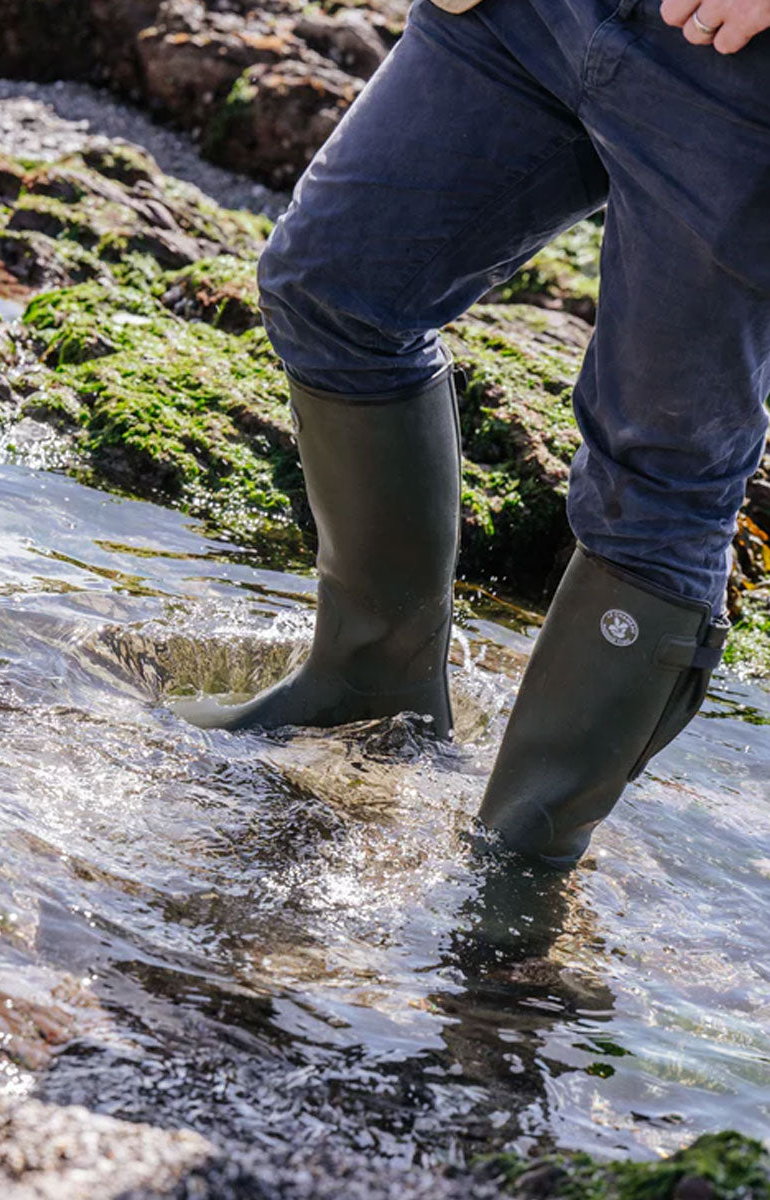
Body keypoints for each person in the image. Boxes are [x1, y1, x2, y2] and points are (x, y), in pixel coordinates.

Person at [184, 0, 770, 866]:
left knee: (663, 472)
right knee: (334, 287)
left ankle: (519, 864)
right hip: (529, 17)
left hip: (740, 68)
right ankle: (368, 689)